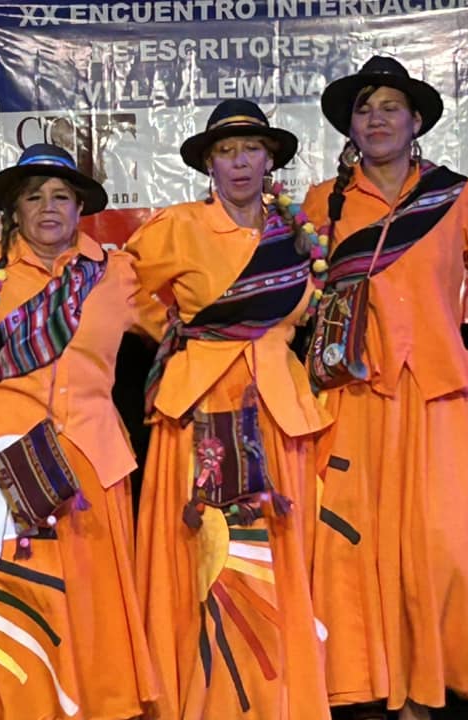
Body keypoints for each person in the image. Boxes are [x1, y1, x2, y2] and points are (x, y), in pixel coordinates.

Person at [0, 142, 163, 720]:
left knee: (90, 603)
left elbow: (186, 328)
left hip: (90, 459)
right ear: (14, 209)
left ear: (81, 207)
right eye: (34, 197)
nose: (49, 207)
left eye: (61, 196)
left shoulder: (116, 276)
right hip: (5, 459)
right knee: (18, 600)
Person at [126, 99, 333, 720]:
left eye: (250, 149)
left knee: (277, 555)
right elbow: (123, 290)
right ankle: (206, 696)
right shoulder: (180, 224)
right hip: (201, 404)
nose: (239, 162)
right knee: (206, 556)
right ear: (209, 164)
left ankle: (279, 697)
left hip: (275, 406)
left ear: (269, 160)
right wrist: (180, 332)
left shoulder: (295, 235)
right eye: (225, 151)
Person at [303, 56, 468, 720]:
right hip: (354, 396)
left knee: (448, 543)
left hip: (439, 395)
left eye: (391, 107)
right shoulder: (323, 203)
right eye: (365, 109)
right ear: (350, 127)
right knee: (353, 540)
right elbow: (293, 296)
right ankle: (368, 683)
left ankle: (443, 678)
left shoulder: (456, 195)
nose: (377, 119)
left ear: (415, 122)